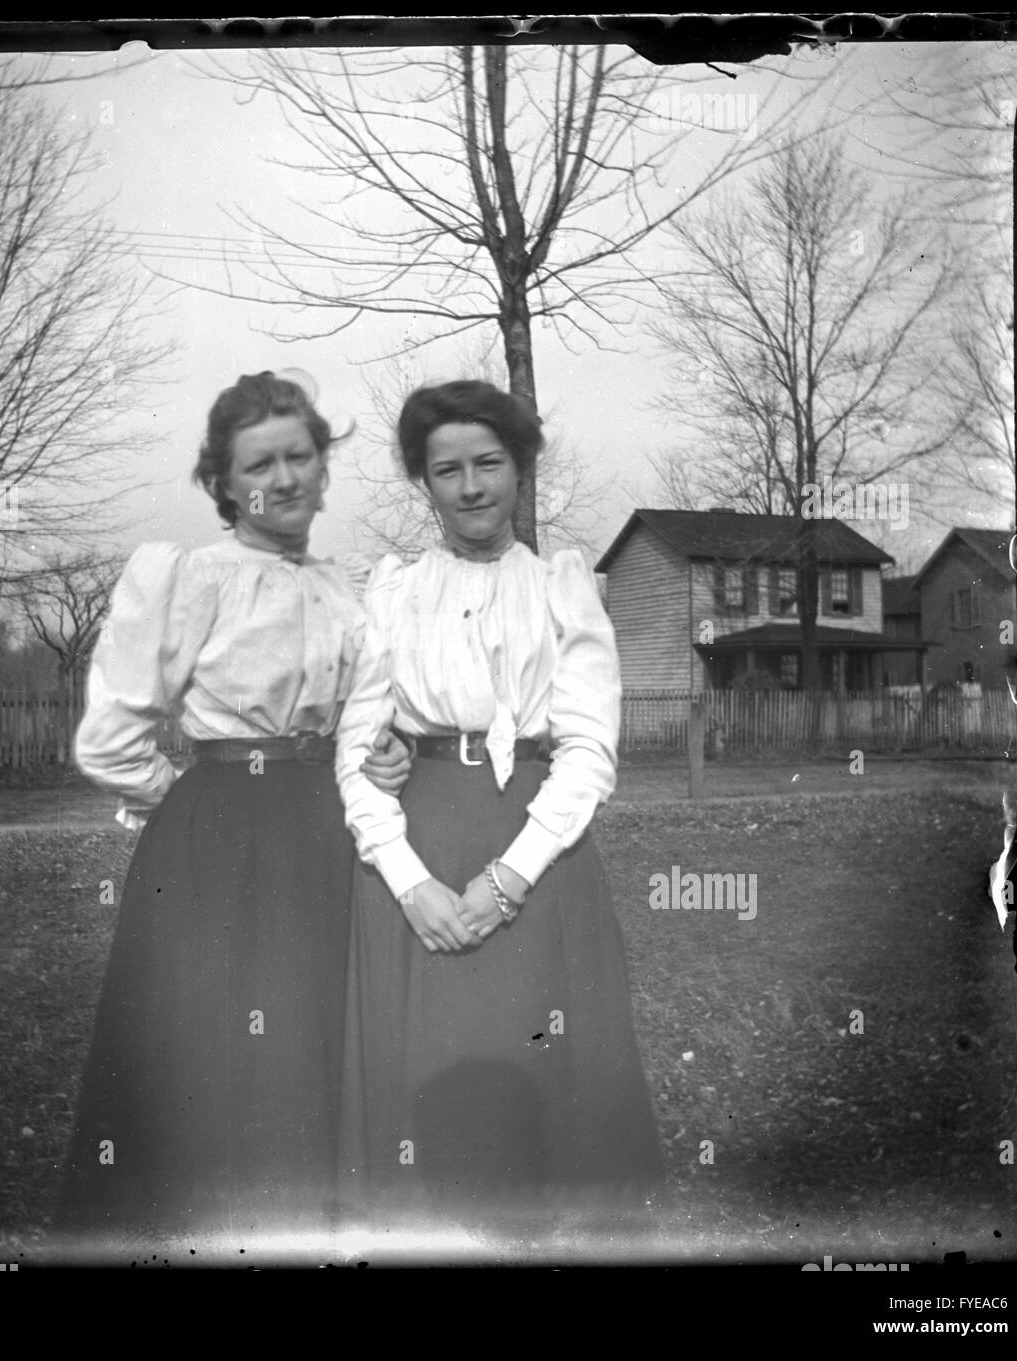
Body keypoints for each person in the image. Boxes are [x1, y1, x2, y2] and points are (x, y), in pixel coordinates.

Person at [54, 371, 408, 1256]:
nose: (284, 479)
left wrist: (380, 754)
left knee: (312, 1057)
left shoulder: (347, 591)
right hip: (213, 842)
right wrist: (186, 801)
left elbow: (364, 715)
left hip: (324, 838)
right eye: (260, 464)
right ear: (224, 481)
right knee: (214, 1062)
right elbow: (109, 739)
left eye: (300, 456)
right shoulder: (189, 578)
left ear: (324, 468)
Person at [335, 380, 663, 1249]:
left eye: (489, 463)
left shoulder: (562, 588)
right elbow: (356, 749)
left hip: (538, 855)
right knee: (424, 1088)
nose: (471, 486)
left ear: (522, 471)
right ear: (424, 483)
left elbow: (590, 751)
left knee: (541, 1078)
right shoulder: (394, 591)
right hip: (415, 856)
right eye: (447, 470)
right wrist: (408, 881)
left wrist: (510, 877)